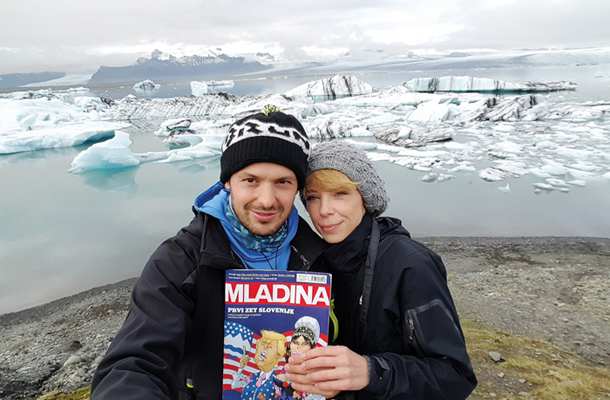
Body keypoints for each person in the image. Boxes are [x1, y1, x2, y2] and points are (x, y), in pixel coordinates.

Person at [91, 106, 327, 400]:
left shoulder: (319, 254)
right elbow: (134, 363)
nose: (266, 200)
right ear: (227, 182)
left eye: (282, 182)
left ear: (297, 188)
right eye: (250, 180)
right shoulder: (181, 260)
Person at [285, 141, 477, 399]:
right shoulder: (315, 261)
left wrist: (372, 371)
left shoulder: (411, 265)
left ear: (365, 198)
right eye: (313, 197)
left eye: (340, 193)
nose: (324, 211)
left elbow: (455, 376)